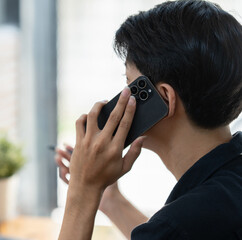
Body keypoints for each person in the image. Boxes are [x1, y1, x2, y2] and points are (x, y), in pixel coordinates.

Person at [55, 1, 242, 239]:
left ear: (164, 97)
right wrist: (110, 200)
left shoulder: (177, 225)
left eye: (130, 85)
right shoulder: (220, 195)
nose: (123, 97)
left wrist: (82, 194)